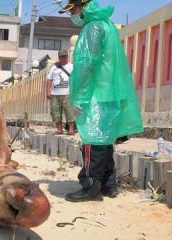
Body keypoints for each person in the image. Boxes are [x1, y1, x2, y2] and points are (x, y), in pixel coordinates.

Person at [59, 0, 143, 202]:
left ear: (84, 7)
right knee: (104, 140)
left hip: (95, 94)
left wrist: (80, 96)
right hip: (110, 93)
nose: (74, 15)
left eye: (74, 10)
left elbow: (87, 63)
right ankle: (109, 184)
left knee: (92, 140)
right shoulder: (108, 25)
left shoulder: (92, 27)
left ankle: (91, 187)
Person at [46, 50, 75, 135]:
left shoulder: (71, 66)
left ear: (67, 57)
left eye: (65, 56)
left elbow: (75, 78)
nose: (63, 58)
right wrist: (48, 91)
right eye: (62, 56)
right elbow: (49, 80)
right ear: (59, 57)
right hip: (55, 94)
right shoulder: (54, 68)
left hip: (67, 93)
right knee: (55, 112)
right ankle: (59, 129)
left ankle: (71, 129)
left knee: (69, 112)